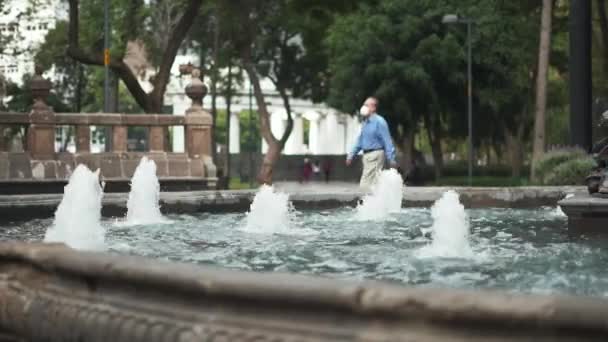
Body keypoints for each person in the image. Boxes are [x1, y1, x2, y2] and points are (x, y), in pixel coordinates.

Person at [346, 97, 397, 189]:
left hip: (376, 154)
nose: (363, 107)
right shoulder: (365, 122)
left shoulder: (380, 122)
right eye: (364, 105)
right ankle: (376, 201)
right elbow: (360, 140)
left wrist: (391, 158)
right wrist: (351, 155)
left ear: (373, 108)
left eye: (366, 105)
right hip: (366, 156)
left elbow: (387, 140)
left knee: (365, 182)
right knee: (374, 183)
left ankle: (362, 201)